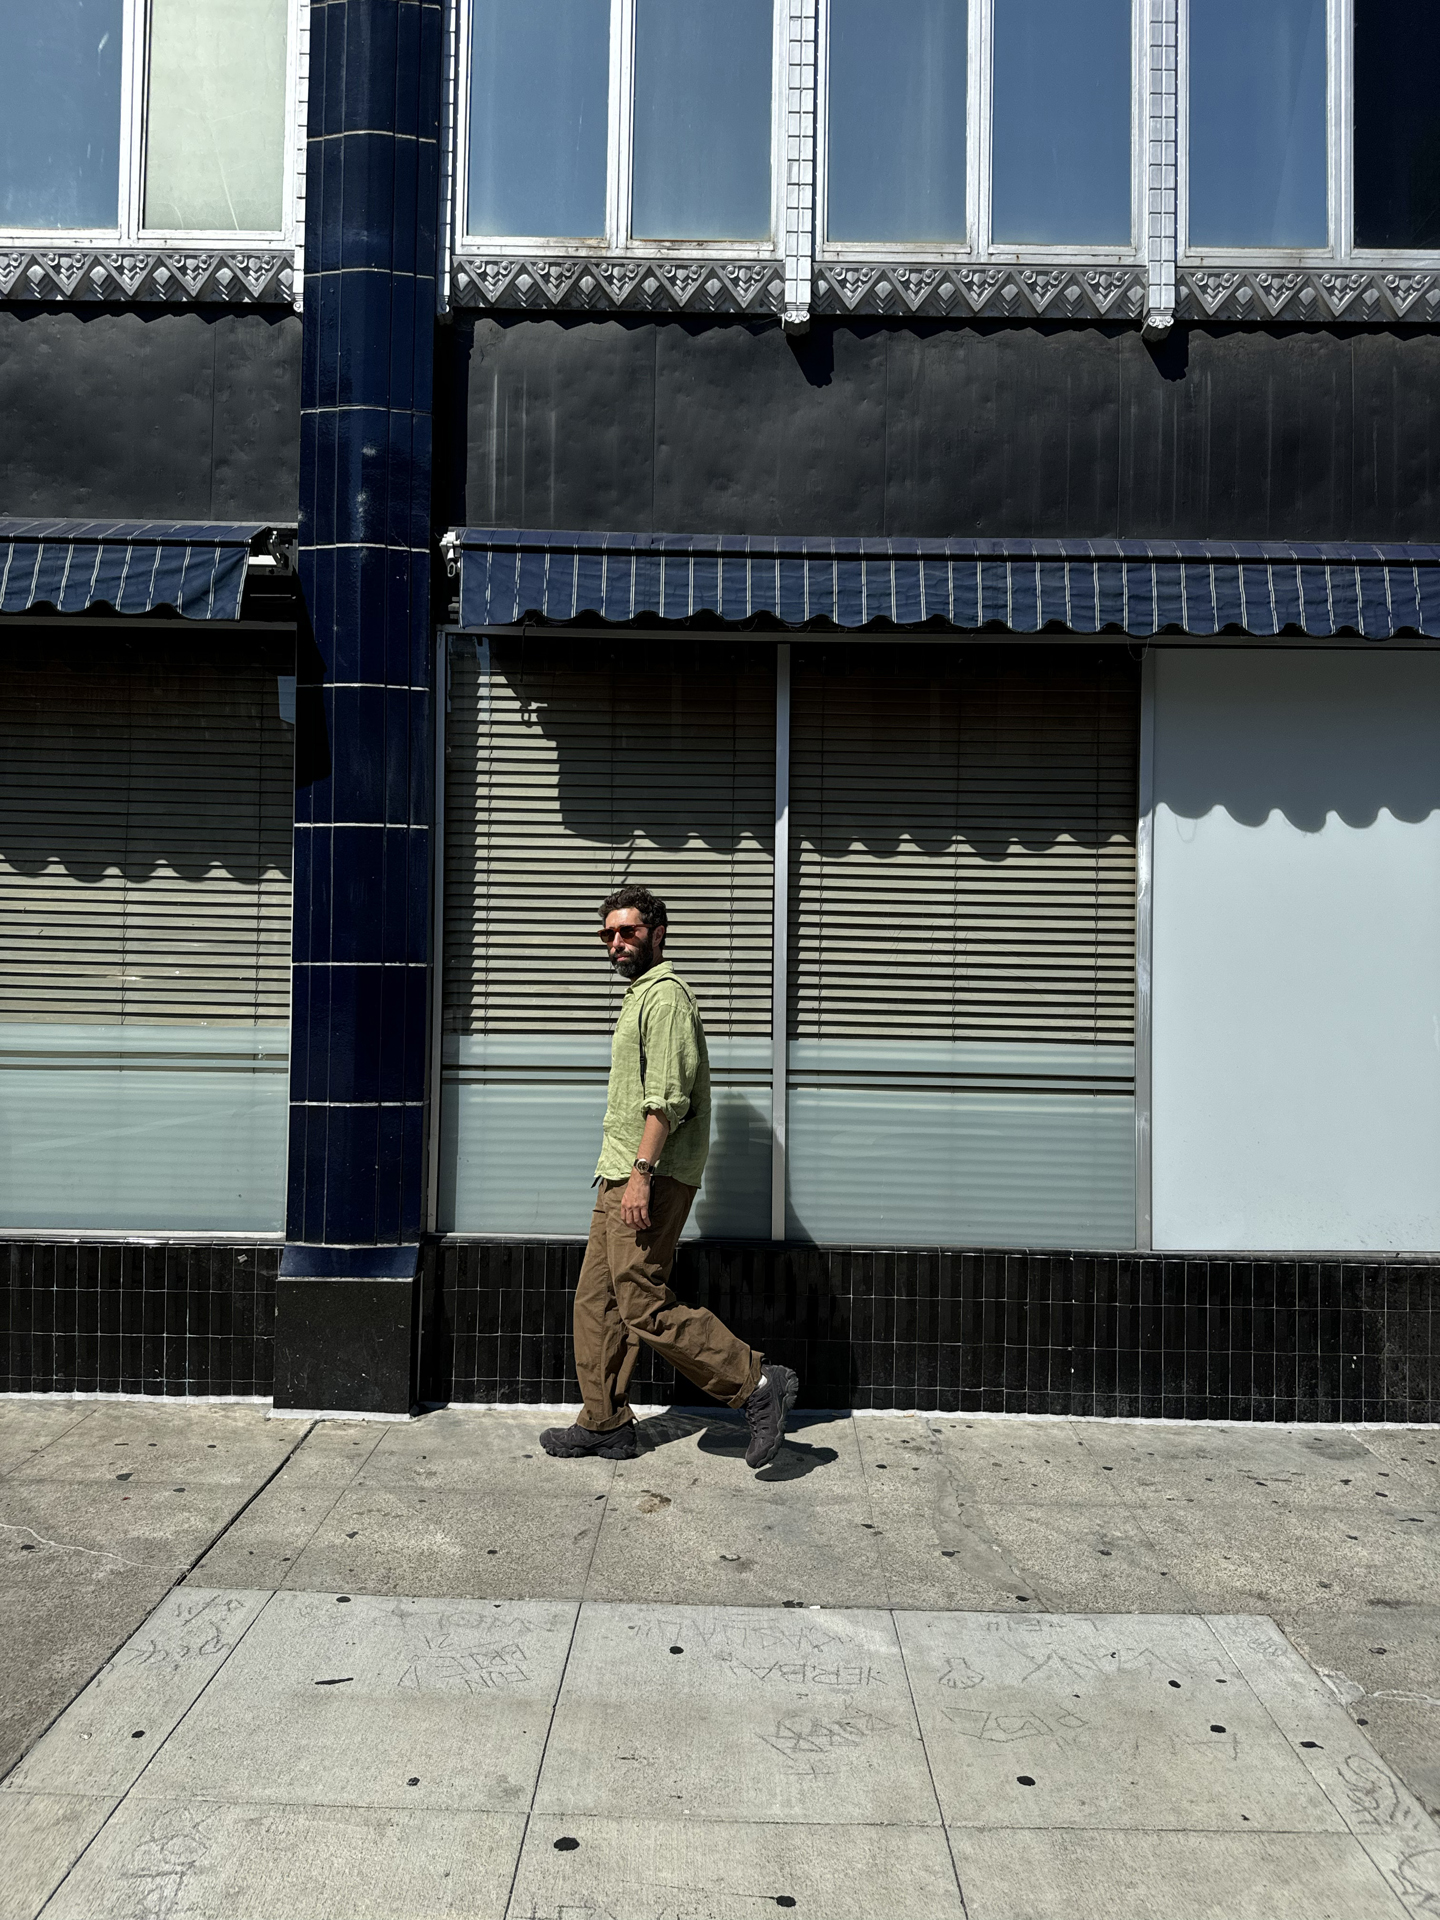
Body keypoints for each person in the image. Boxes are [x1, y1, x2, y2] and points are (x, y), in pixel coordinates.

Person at [540, 885, 798, 1469]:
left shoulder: (666, 999)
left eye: (627, 931)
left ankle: (757, 1382)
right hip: (619, 1171)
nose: (616, 942)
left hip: (647, 1176)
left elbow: (665, 1100)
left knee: (641, 1303)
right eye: (607, 934)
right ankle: (604, 1423)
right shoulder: (640, 997)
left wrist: (641, 1175)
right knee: (597, 1303)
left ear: (657, 933)